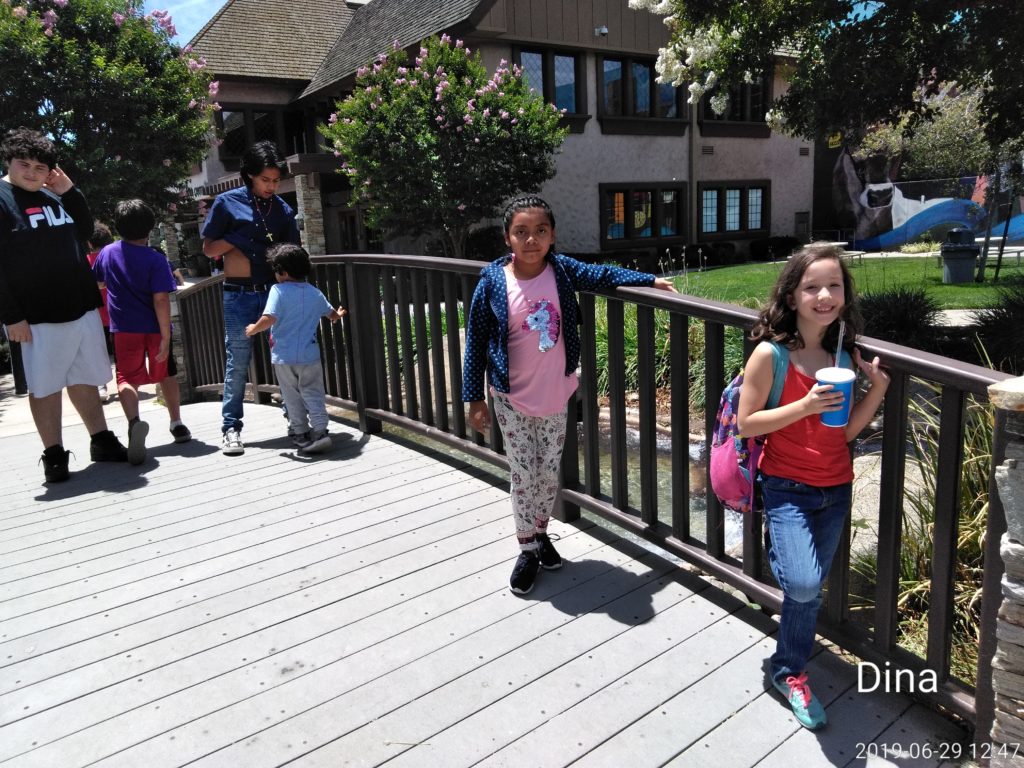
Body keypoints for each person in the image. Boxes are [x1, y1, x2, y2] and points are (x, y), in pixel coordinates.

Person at [462, 195, 678, 595]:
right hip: (511, 398)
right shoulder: (494, 282)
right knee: (524, 474)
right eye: (521, 232)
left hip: (556, 394)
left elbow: (600, 274)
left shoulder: (561, 270)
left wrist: (647, 280)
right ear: (507, 237)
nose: (531, 240)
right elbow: (475, 341)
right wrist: (474, 397)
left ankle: (540, 533)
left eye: (540, 231)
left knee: (547, 474)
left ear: (552, 235)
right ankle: (526, 549)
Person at [736, 243, 889, 730]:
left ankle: (789, 668)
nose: (825, 295)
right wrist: (802, 407)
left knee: (807, 592)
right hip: (786, 487)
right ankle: (789, 667)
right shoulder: (771, 353)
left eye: (834, 286)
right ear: (792, 293)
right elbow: (746, 424)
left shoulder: (841, 352)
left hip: (835, 487)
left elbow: (842, 434)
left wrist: (877, 390)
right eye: (812, 287)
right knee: (802, 583)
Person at [0, 127, 129, 482]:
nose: (31, 172)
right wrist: (11, 316)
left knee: (84, 376)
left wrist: (69, 190)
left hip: (80, 305)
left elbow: (86, 230)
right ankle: (54, 454)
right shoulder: (2, 197)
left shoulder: (54, 194)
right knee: (45, 385)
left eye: (40, 167)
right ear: (8, 161)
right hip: (36, 315)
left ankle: (100, 440)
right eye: (23, 164)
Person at [201, 141, 301, 456]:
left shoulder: (282, 209)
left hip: (274, 295)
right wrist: (236, 239)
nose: (272, 186)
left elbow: (294, 256)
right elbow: (209, 249)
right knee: (238, 362)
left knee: (285, 360)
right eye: (265, 180)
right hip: (239, 294)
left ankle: (296, 423)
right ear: (249, 176)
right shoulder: (227, 203)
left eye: (275, 180)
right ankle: (231, 428)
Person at [92, 199, 191, 464]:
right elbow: (160, 300)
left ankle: (134, 422)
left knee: (126, 378)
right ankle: (176, 423)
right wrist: (166, 337)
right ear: (150, 227)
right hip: (155, 329)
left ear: (118, 226)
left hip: (124, 328)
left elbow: (98, 281)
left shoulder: (108, 253)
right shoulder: (156, 259)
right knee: (166, 373)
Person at [244, 243, 346, 453]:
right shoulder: (315, 293)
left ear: (283, 272)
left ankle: (300, 434)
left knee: (291, 396)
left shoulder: (278, 290)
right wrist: (339, 314)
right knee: (313, 392)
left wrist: (253, 329)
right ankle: (320, 431)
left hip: (284, 356)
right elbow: (331, 315)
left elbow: (269, 318)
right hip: (310, 355)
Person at [86, 221, 116, 401]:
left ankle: (101, 388)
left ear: (89, 243)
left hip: (95, 318)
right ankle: (125, 383)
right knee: (120, 353)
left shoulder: (83, 262)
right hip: (117, 314)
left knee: (97, 354)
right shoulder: (114, 258)